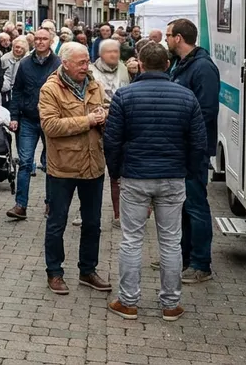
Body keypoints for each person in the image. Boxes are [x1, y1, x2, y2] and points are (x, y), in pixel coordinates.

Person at [103, 43, 207, 322]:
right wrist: (190, 171)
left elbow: (112, 140)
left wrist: (116, 172)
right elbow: (198, 142)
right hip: (173, 177)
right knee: (171, 242)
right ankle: (171, 304)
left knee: (131, 240)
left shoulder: (124, 96)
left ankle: (128, 302)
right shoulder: (186, 97)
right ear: (166, 65)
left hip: (136, 176)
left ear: (141, 64)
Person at [38, 42, 112, 296]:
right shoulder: (50, 89)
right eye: (80, 62)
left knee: (93, 223)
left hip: (94, 165)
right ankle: (54, 272)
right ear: (65, 63)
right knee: (57, 222)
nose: (85, 66)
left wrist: (105, 118)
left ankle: (88, 270)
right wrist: (88, 121)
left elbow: (105, 112)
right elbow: (50, 126)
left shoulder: (94, 84)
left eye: (87, 61)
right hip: (63, 168)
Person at [167, 18, 220, 284]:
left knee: (196, 205)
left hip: (194, 149)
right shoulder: (181, 64)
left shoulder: (202, 68)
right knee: (184, 206)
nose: (165, 40)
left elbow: (207, 110)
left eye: (168, 35)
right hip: (181, 147)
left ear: (178, 38)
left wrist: (181, 128)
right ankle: (184, 258)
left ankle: (201, 264)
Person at [6, 28, 61, 221]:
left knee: (50, 164)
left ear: (51, 41)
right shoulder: (25, 64)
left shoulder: (59, 64)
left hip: (51, 119)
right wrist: (14, 116)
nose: (39, 42)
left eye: (44, 39)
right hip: (28, 119)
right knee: (25, 162)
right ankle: (20, 205)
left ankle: (50, 204)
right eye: (37, 39)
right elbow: (17, 91)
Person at [89, 38, 133, 228]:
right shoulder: (90, 71)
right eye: (109, 52)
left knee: (117, 172)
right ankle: (86, 212)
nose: (114, 55)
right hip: (96, 123)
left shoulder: (125, 69)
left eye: (116, 52)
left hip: (120, 123)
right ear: (101, 54)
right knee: (91, 171)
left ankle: (118, 214)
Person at [1, 36, 29, 105]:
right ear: (13, 47)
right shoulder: (4, 58)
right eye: (17, 47)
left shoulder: (27, 60)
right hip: (5, 92)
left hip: (22, 92)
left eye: (22, 48)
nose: (19, 50)